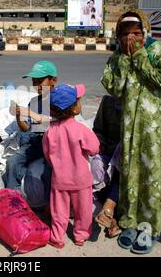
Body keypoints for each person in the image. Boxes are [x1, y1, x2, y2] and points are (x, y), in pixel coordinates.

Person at [101, 9, 161, 254]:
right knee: (130, 173)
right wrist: (126, 60)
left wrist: (139, 56)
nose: (131, 38)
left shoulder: (157, 51)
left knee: (152, 174)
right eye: (125, 34)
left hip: (153, 128)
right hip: (129, 129)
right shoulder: (117, 57)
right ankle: (130, 221)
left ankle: (150, 226)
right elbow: (114, 88)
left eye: (136, 33)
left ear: (145, 32)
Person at [43, 84, 100, 248]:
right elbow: (94, 148)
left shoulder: (50, 131)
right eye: (78, 101)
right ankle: (81, 235)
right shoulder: (81, 129)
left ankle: (57, 237)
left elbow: (47, 154)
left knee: (59, 211)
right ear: (75, 109)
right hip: (81, 180)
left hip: (59, 179)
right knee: (83, 210)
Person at [3, 60, 57, 191]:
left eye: (40, 81)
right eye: (34, 82)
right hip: (35, 143)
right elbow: (25, 128)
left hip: (54, 145)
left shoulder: (59, 100)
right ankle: (13, 198)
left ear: (53, 80)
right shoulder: (34, 102)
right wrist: (18, 116)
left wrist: (30, 113)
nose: (36, 86)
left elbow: (55, 125)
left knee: (51, 172)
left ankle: (50, 205)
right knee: (12, 162)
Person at [91, 95, 123, 238]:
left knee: (121, 164)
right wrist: (101, 143)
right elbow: (98, 129)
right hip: (108, 150)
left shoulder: (137, 103)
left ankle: (110, 208)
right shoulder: (107, 102)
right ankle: (111, 216)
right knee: (95, 169)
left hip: (127, 155)